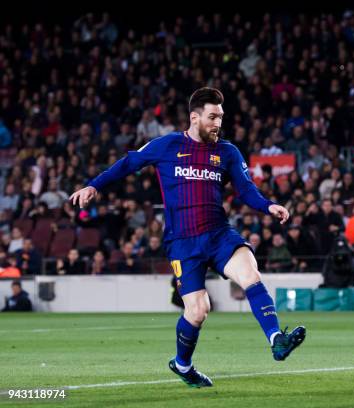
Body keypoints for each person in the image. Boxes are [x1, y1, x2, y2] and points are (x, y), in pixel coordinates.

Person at [70, 87, 305, 388]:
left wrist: (268, 205)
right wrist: (94, 186)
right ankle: (183, 365)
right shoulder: (167, 145)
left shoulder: (228, 152)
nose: (218, 123)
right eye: (212, 117)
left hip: (220, 235)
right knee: (198, 311)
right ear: (194, 117)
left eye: (220, 117)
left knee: (250, 274)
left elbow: (246, 190)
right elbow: (129, 162)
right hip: (183, 243)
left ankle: (277, 339)